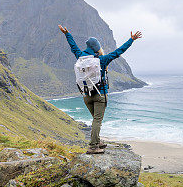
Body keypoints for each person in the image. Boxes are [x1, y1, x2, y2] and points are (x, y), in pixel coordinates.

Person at [58, 24, 142, 154]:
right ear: (97, 48)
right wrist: (131, 40)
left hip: (86, 96)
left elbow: (73, 46)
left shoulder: (80, 57)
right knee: (97, 121)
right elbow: (118, 52)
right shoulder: (102, 60)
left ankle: (97, 142)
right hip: (99, 95)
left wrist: (67, 34)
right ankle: (93, 146)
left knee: (96, 120)